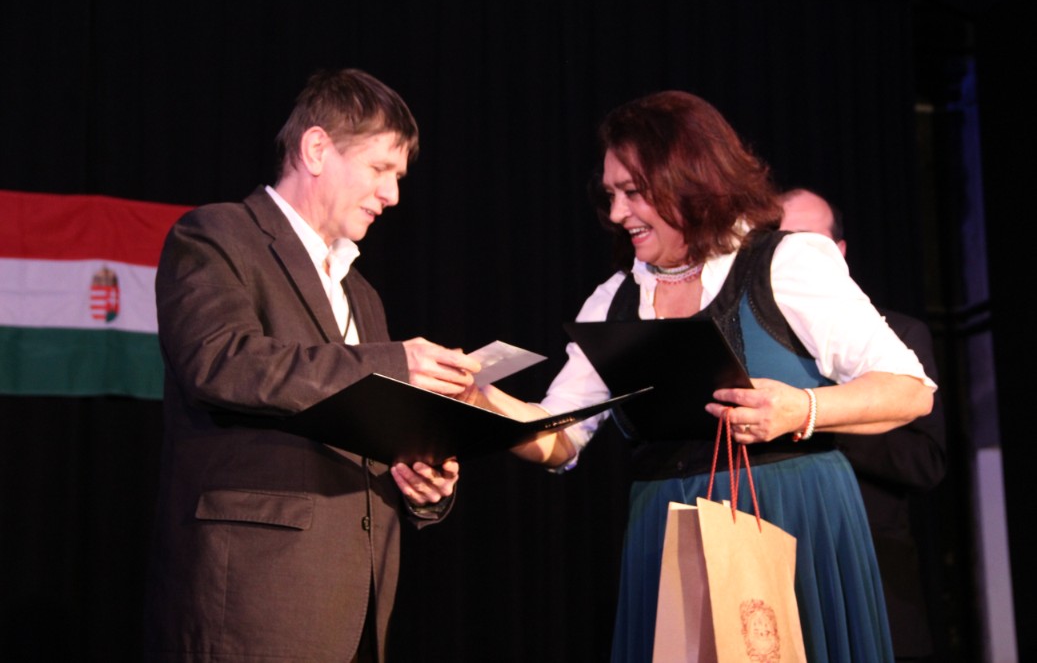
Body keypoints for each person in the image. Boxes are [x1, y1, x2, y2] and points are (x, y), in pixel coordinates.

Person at [476, 91, 935, 662]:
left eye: (633, 192)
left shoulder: (785, 263)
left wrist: (802, 409)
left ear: (690, 179)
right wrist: (479, 400)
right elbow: (559, 435)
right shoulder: (615, 298)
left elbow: (909, 389)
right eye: (611, 195)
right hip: (667, 531)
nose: (617, 214)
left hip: (790, 516)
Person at [144, 68, 480, 662]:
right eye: (380, 169)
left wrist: (420, 481)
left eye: (398, 177)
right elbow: (219, 360)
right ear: (317, 149)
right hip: (254, 598)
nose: (392, 195)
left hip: (357, 604)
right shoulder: (217, 235)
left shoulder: (363, 296)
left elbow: (361, 425)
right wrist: (393, 363)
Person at [780, 188, 947, 662]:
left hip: (874, 570)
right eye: (779, 242)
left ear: (840, 251)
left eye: (807, 241)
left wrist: (816, 416)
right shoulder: (761, 341)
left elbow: (925, 463)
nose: (793, 255)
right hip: (779, 570)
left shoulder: (898, 334)